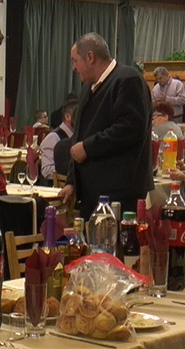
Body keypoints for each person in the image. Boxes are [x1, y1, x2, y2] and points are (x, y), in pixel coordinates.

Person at [61, 33, 153, 218]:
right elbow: (80, 135)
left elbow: (130, 128)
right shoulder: (88, 87)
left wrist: (88, 147)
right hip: (91, 193)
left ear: (90, 57)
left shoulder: (128, 79)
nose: (74, 68)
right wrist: (72, 181)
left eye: (75, 61)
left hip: (120, 192)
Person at [41, 101, 75, 181]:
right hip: (57, 186)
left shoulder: (80, 136)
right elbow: (47, 171)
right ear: (67, 117)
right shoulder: (53, 137)